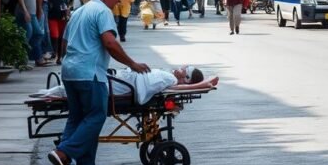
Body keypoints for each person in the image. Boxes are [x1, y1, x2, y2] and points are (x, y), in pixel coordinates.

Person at [47, 0, 150, 165]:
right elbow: (110, 44)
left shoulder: (79, 11)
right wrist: (132, 64)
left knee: (77, 118)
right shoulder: (103, 11)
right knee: (96, 116)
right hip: (89, 74)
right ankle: (63, 153)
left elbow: (65, 42)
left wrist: (71, 61)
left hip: (70, 71)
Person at [33, 65, 219, 104]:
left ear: (184, 78)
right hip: (125, 80)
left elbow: (177, 88)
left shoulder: (169, 79)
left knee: (79, 88)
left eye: (183, 69)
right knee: (76, 87)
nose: (180, 67)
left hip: (125, 84)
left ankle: (49, 94)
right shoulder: (168, 77)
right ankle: (48, 94)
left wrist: (201, 84)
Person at [15, 0, 49, 68]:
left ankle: (29, 54)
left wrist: (38, 9)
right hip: (24, 12)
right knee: (27, 34)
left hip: (33, 12)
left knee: (38, 33)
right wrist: (25, 11)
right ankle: (21, 58)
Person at [45, 0, 76, 65]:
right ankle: (54, 53)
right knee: (55, 36)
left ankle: (61, 57)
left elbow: (71, 0)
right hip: (52, 16)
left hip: (63, 16)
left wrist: (68, 9)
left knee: (62, 37)